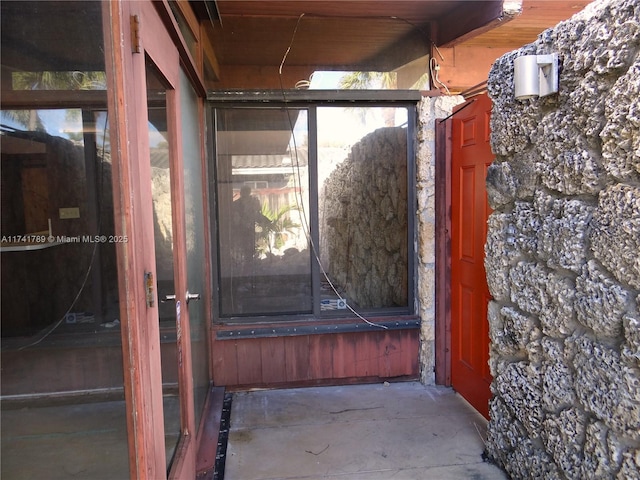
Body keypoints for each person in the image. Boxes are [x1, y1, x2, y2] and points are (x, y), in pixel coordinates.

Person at [232, 185, 268, 264]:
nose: (245, 194)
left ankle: (249, 262)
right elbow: (234, 218)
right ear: (241, 193)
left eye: (247, 192)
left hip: (250, 229)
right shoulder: (236, 204)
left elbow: (258, 211)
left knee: (250, 248)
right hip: (239, 230)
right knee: (240, 249)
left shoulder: (254, 201)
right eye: (243, 192)